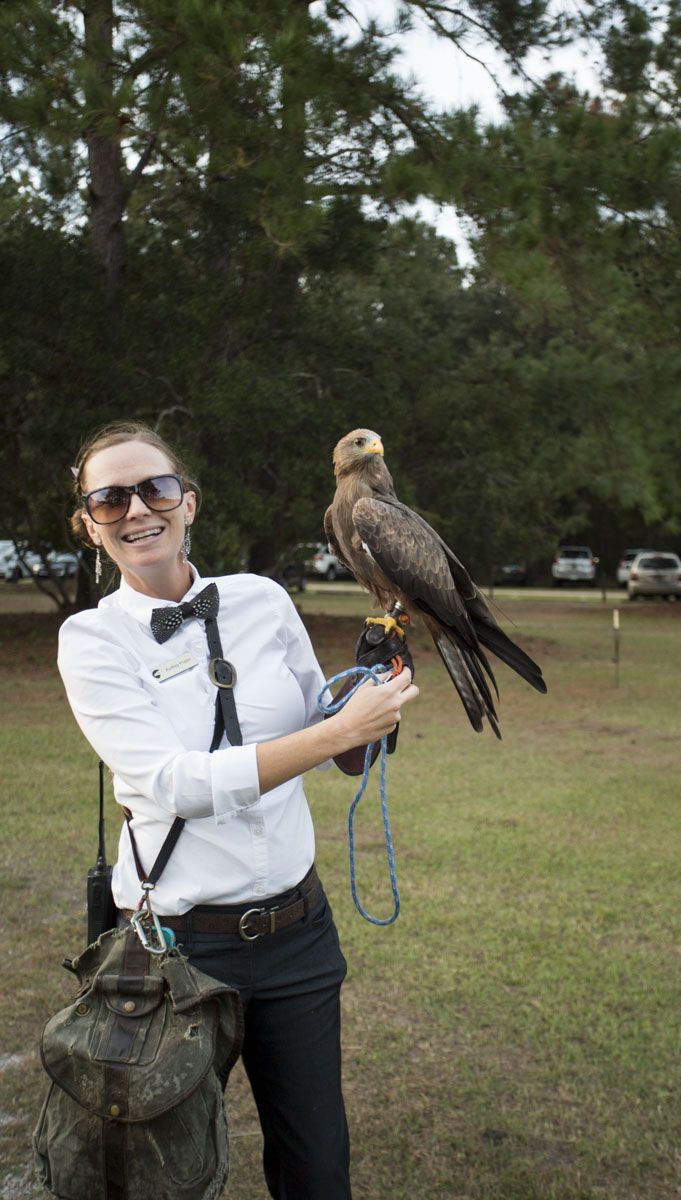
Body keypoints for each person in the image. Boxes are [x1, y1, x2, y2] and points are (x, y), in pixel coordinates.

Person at [58, 420, 419, 1200]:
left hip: (297, 936)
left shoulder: (262, 600)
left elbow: (337, 745)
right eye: (109, 498)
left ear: (188, 502)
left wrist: (372, 694)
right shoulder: (90, 640)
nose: (135, 508)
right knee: (165, 1178)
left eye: (153, 488)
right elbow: (177, 783)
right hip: (174, 957)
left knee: (318, 1172)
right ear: (90, 524)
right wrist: (333, 732)